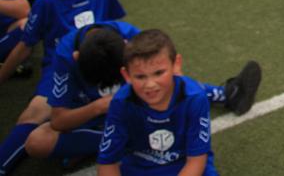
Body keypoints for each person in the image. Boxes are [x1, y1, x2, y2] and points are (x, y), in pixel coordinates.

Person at [22, 22, 261, 170]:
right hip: (110, 118)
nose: (149, 82)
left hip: (138, 117)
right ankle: (116, 142)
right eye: (139, 76)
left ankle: (225, 94)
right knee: (36, 142)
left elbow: (172, 80)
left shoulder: (131, 40)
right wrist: (99, 107)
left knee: (172, 93)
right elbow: (59, 121)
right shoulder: (67, 57)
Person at [0, 0, 125, 174]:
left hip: (101, 64)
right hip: (60, 69)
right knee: (33, 115)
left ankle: (93, 141)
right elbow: (25, 45)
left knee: (145, 93)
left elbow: (115, 29)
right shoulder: (46, 3)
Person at [96, 29, 218, 175]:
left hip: (185, 165)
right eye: (140, 76)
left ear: (176, 64)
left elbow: (196, 161)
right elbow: (107, 162)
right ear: (126, 75)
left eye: (159, 73)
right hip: (140, 170)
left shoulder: (194, 98)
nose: (150, 84)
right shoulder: (121, 103)